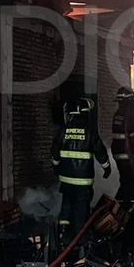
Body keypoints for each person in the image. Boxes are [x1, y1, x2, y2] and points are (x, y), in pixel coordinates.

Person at [51, 97, 110, 253]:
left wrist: (56, 167)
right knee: (81, 209)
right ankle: (79, 240)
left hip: (66, 180)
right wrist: (107, 167)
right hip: (83, 181)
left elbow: (55, 152)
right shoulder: (90, 132)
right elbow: (100, 152)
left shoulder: (63, 131)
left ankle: (63, 235)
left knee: (66, 206)